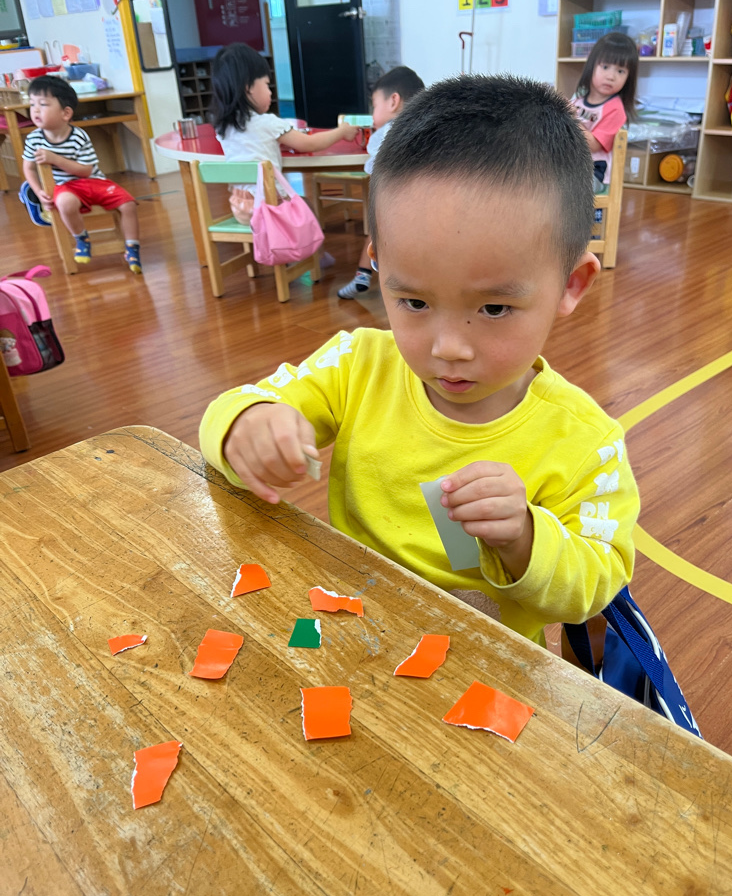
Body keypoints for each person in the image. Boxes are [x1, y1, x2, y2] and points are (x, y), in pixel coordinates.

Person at [199, 75, 640, 649]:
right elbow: (235, 406)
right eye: (414, 302)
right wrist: (246, 424)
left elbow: (596, 586)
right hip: (353, 636)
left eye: (493, 308)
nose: (448, 347)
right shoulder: (358, 365)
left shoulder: (586, 443)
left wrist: (526, 538)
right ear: (379, 266)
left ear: (571, 283)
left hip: (487, 673)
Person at [211, 43, 359, 224]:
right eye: (266, 84)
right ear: (248, 87)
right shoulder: (267, 123)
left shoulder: (223, 129)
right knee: (305, 207)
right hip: (269, 205)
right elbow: (309, 144)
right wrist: (341, 132)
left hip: (241, 208)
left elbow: (251, 146)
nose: (270, 92)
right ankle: (312, 245)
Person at [21, 76, 142, 273]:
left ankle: (132, 248)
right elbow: (29, 168)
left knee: (128, 204)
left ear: (66, 113)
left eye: (43, 104)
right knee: (65, 203)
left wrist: (55, 158)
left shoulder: (78, 136)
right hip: (64, 187)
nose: (34, 110)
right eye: (32, 104)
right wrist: (39, 192)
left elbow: (86, 170)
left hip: (93, 181)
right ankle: (81, 238)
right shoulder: (34, 139)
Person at [337, 65, 425, 300]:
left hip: (396, 203)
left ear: (393, 101)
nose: (373, 114)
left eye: (375, 105)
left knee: (378, 233)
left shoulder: (386, 132)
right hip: (429, 208)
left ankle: (364, 275)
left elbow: (375, 171)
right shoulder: (429, 126)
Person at [571, 32, 638, 192]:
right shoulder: (579, 97)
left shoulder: (615, 110)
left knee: (560, 186)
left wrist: (571, 119)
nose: (611, 76)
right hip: (571, 164)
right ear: (591, 65)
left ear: (628, 77)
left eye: (620, 71)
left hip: (594, 172)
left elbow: (592, 145)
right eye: (605, 67)